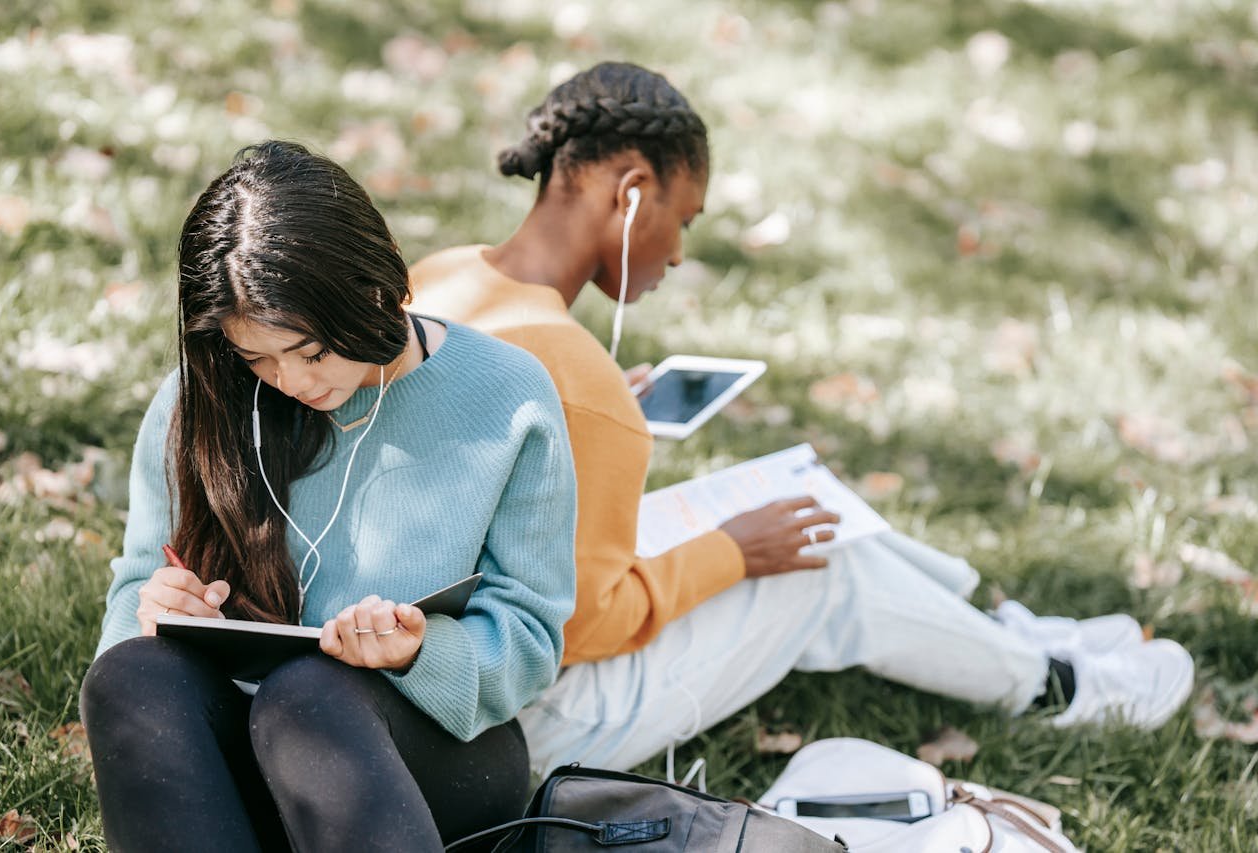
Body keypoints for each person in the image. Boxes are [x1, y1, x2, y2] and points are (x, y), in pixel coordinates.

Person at [409, 62, 1195, 775]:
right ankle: (1050, 685)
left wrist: (598, 410)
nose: (679, 253)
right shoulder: (576, 377)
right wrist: (731, 553)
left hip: (429, 671)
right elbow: (582, 627)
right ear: (632, 192)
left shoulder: (443, 275)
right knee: (815, 559)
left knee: (790, 499)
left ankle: (1007, 632)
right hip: (525, 719)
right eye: (685, 218)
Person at [80, 141, 576, 851]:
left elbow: (528, 633)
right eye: (257, 356)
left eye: (311, 350)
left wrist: (416, 651)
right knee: (129, 675)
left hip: (419, 756)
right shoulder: (206, 396)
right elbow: (132, 591)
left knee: (306, 695)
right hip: (240, 755)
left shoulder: (509, 396)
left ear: (372, 286)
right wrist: (154, 610)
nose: (291, 381)